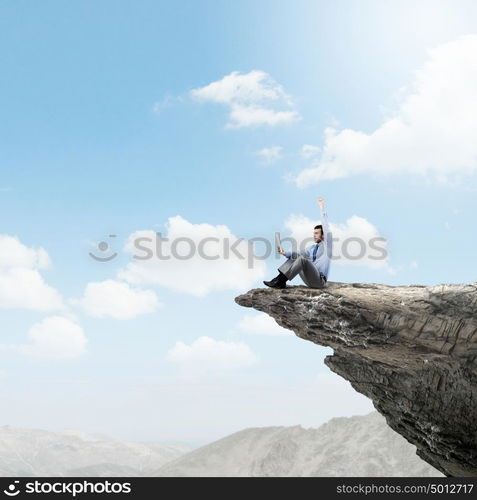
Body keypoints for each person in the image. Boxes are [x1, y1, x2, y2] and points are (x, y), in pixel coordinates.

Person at [263, 197, 332, 289]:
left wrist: (321, 207)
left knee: (302, 259)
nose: (314, 235)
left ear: (323, 235)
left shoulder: (328, 245)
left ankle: (280, 281)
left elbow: (325, 225)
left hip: (319, 281)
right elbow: (298, 254)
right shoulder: (312, 248)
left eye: (316, 233)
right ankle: (279, 280)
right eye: (313, 233)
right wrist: (284, 253)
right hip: (309, 279)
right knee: (296, 256)